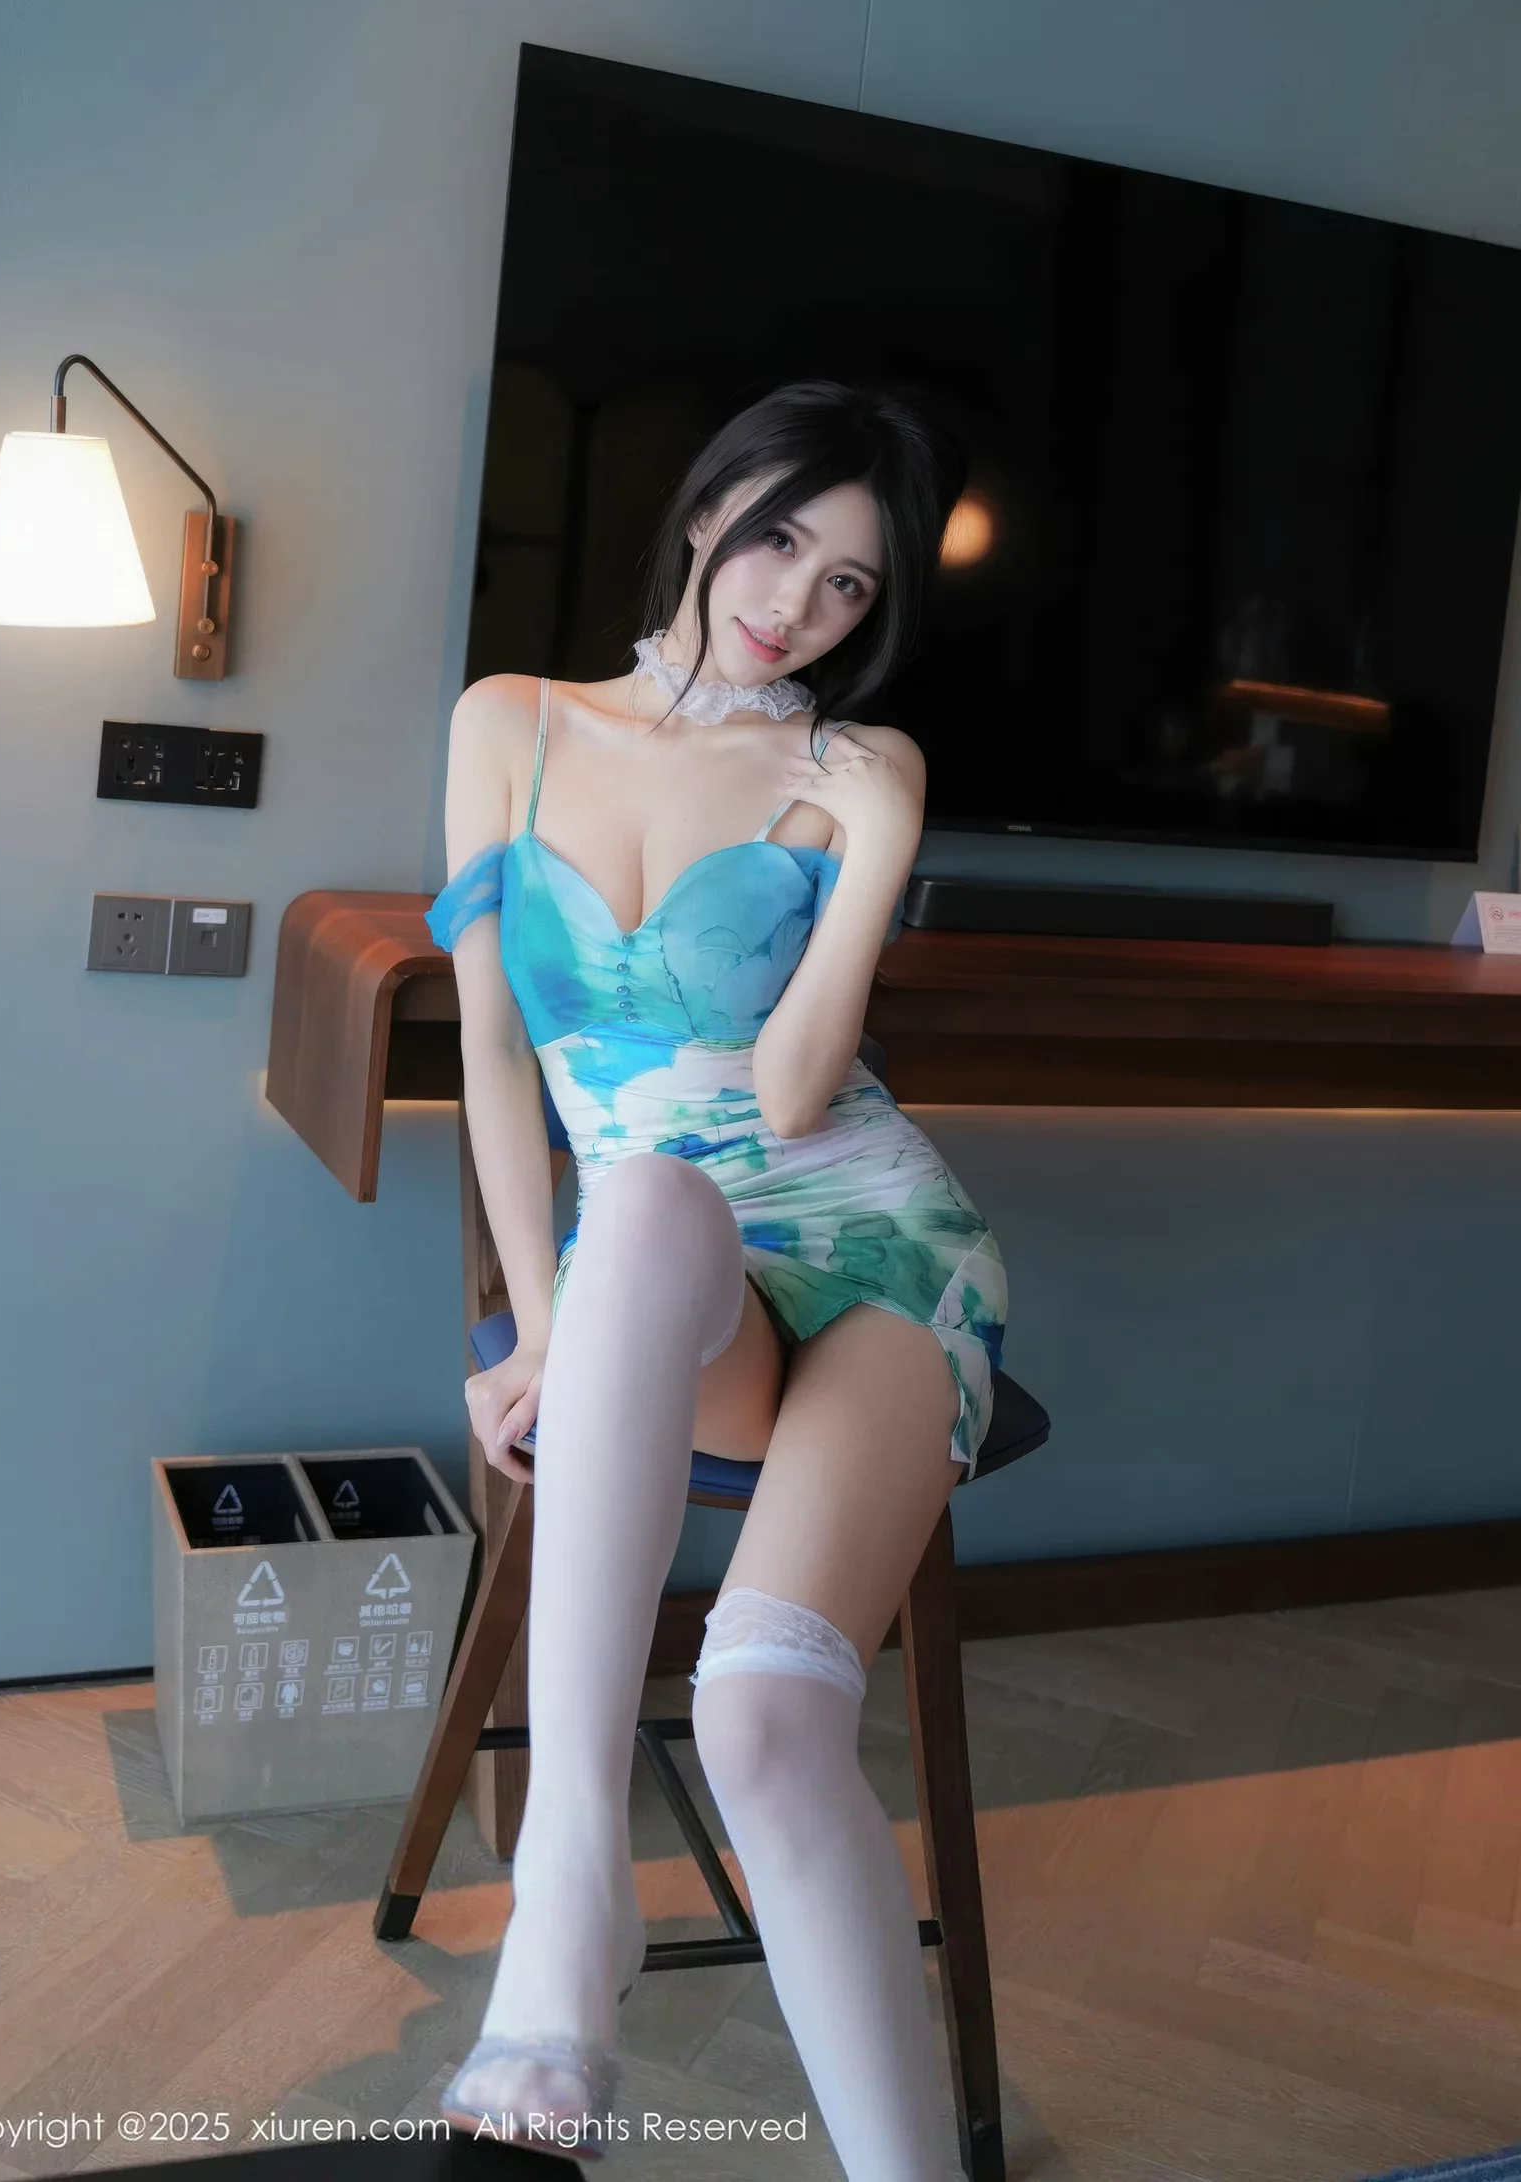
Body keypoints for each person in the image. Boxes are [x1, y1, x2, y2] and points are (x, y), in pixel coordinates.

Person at [426, 379, 1009, 2176]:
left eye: (849, 586)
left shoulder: (858, 769)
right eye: (780, 541)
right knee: (651, 1205)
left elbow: (799, 1092)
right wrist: (537, 1325)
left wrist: (881, 846)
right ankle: (572, 1879)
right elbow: (494, 1050)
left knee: (763, 1720)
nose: (796, 604)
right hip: (664, 1257)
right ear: (709, 511)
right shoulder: (510, 722)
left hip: (875, 1250)